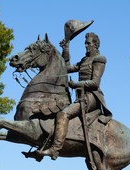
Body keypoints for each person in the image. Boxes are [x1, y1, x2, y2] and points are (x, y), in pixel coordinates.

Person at [38, 32, 112, 160]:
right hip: (80, 96)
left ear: (96, 44)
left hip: (92, 97)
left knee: (63, 114)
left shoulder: (100, 59)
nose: (86, 46)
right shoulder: (84, 60)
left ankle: (55, 150)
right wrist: (66, 49)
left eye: (88, 43)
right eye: (85, 43)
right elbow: (66, 68)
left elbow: (95, 83)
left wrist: (75, 84)